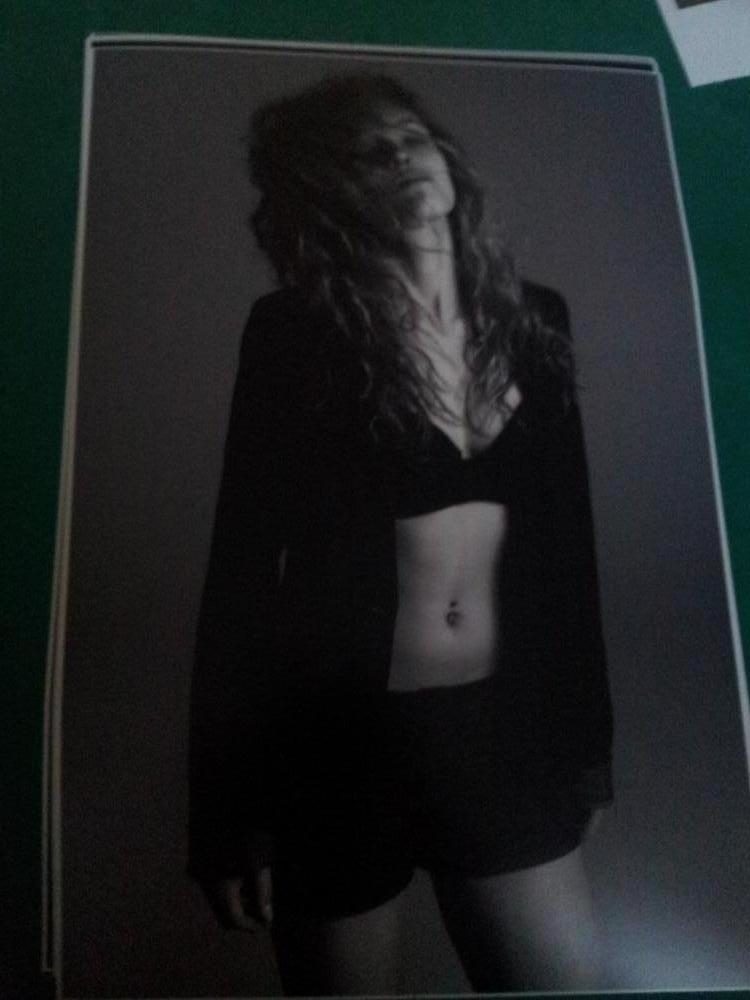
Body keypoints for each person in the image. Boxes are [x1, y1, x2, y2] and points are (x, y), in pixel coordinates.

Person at [188, 73, 613, 995]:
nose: (399, 158)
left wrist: (588, 747)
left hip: (499, 739)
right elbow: (241, 578)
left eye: (408, 137)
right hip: (338, 747)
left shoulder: (537, 319)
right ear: (328, 192)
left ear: (445, 157)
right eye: (366, 155)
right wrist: (224, 817)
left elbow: (567, 553)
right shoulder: (295, 334)